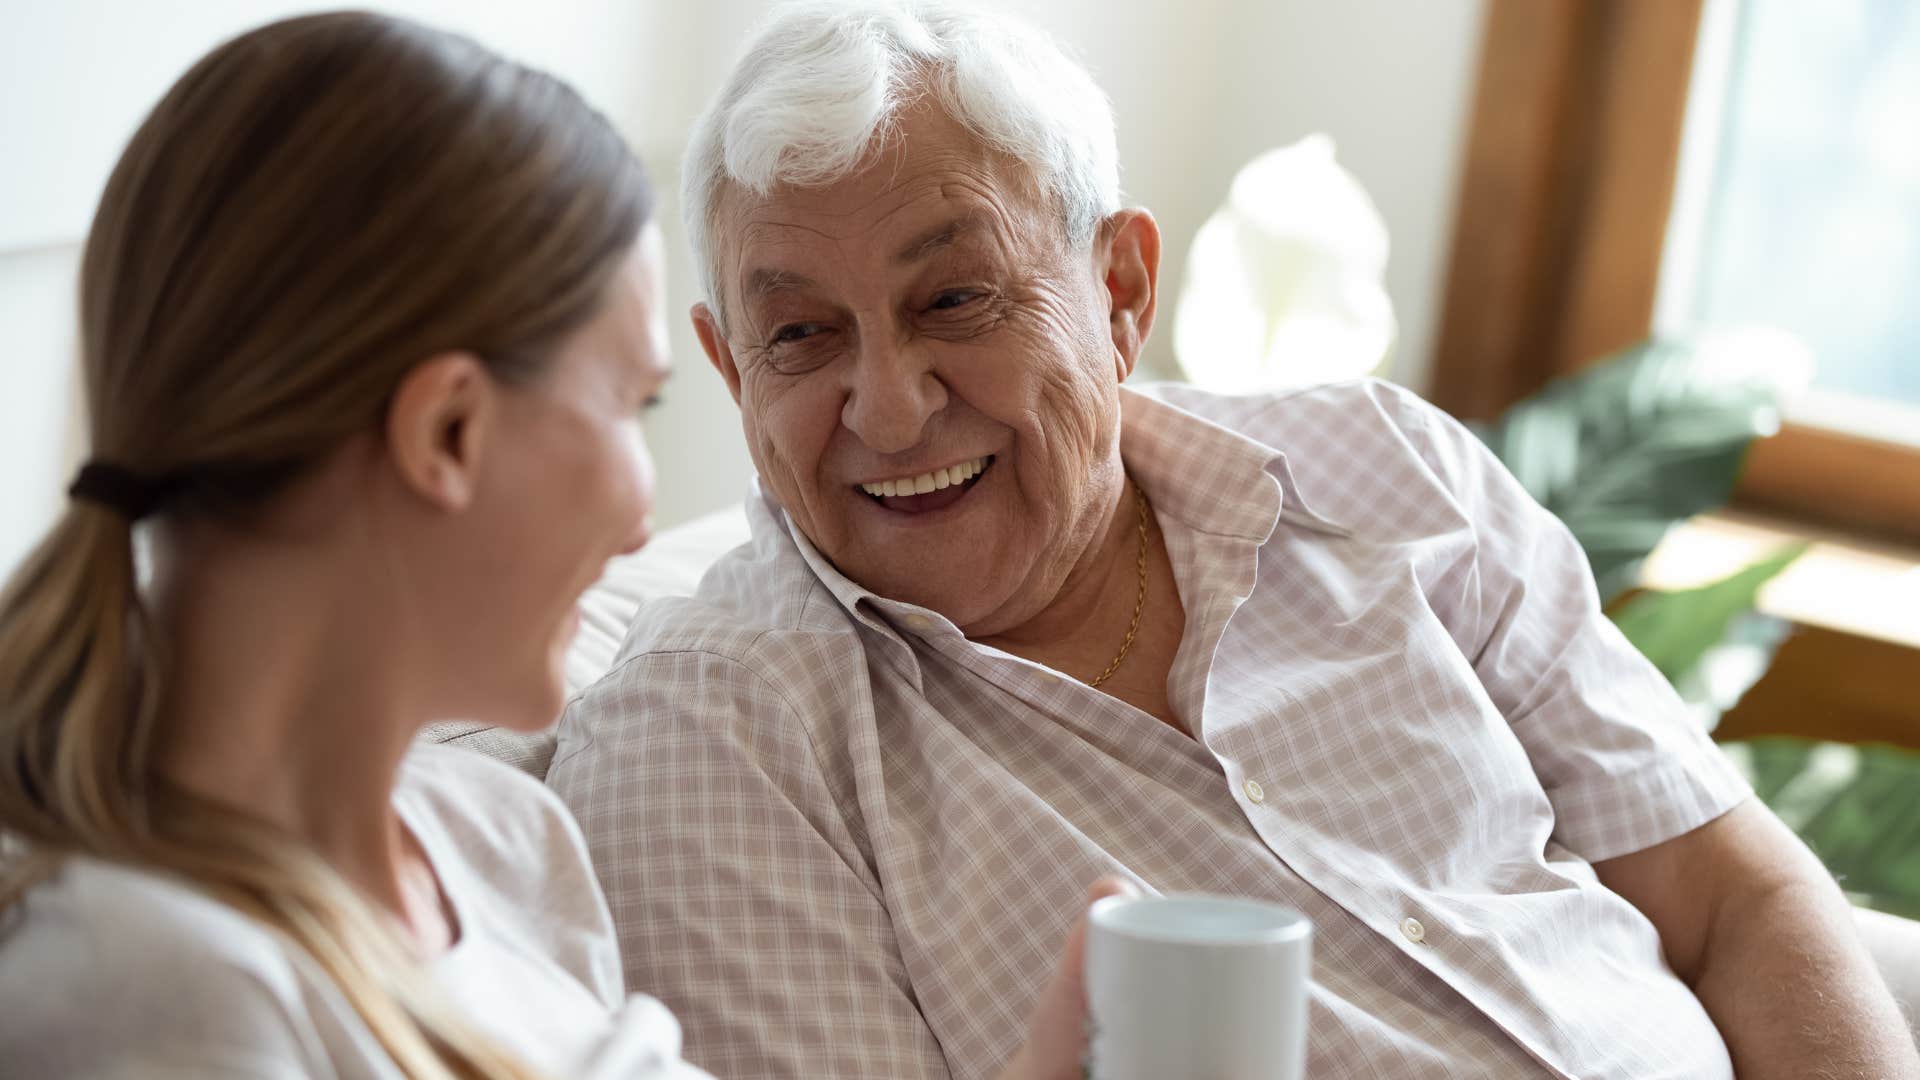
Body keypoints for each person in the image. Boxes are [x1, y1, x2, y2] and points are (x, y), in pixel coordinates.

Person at [549, 2, 1920, 1078]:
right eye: (804, 335)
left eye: (957, 299)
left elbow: (1739, 899)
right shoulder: (712, 739)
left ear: (1122, 288)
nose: (891, 407)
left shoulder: (1383, 472)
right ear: (732, 375)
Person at [0, 12, 1103, 1079]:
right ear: (449, 433)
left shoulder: (497, 845)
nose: (641, 517)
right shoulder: (151, 984)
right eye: (636, 406)